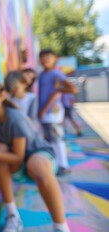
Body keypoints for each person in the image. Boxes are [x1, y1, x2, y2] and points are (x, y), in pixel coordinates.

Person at [0, 78, 69, 232]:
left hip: (39, 157)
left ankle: (61, 226)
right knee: (0, 148)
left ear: (2, 96)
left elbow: (18, 157)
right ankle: (13, 216)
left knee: (36, 164)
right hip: (18, 162)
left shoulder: (16, 118)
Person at [37, 48, 78, 176]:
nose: (45, 59)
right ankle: (56, 164)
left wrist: (58, 90)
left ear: (55, 59)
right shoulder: (42, 74)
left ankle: (63, 166)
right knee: (50, 139)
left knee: (57, 139)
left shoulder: (56, 74)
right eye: (42, 57)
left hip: (52, 113)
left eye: (48, 56)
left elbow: (73, 89)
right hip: (46, 113)